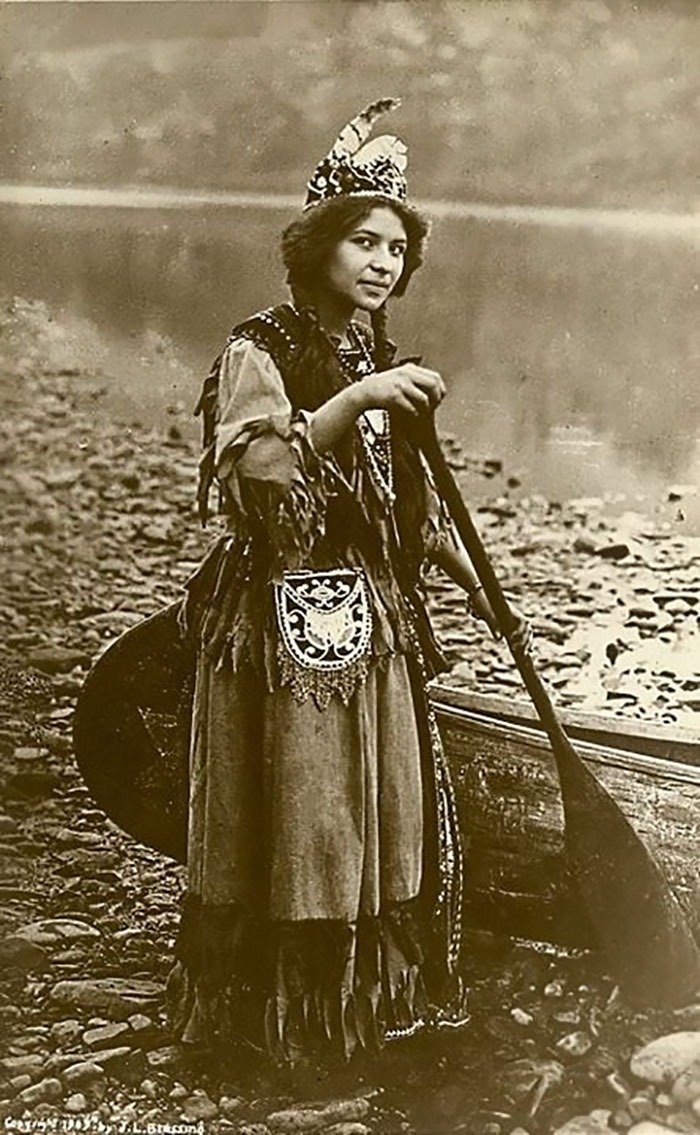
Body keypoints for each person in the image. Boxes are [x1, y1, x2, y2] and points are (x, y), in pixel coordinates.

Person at [167, 99, 522, 1066]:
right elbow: (262, 475)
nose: (380, 262)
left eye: (396, 249)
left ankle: (373, 998)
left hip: (374, 609)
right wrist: (358, 400)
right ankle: (289, 1021)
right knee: (312, 805)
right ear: (317, 245)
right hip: (288, 614)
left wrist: (472, 580)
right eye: (361, 240)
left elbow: (399, 501)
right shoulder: (261, 347)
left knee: (378, 803)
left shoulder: (377, 354)